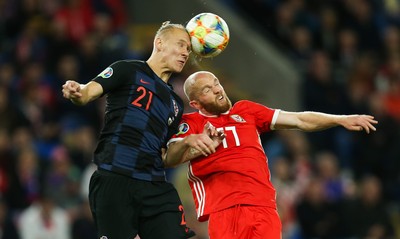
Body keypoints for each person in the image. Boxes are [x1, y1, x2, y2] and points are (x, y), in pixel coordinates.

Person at [164, 71, 378, 239]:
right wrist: (192, 141)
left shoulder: (246, 111)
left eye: (217, 83)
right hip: (225, 209)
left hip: (263, 207)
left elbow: (299, 120)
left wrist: (340, 119)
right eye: (207, 90)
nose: (218, 90)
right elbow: (171, 157)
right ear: (195, 103)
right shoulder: (190, 123)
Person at [62, 21, 195, 239]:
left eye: (188, 49)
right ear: (159, 43)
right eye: (180, 45)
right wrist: (77, 91)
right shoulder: (128, 69)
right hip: (115, 179)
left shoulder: (176, 104)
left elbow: (166, 157)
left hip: (154, 186)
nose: (185, 53)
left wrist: (190, 145)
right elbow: (88, 92)